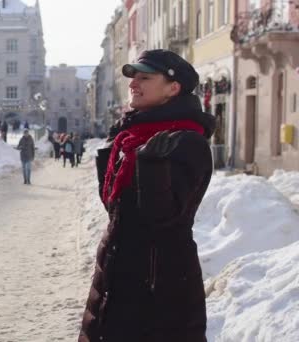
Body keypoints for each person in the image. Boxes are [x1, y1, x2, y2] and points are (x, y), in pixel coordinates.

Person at [78, 49, 215, 342]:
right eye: (132, 78)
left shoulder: (186, 141)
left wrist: (151, 166)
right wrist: (110, 154)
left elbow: (162, 219)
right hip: (116, 280)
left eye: (145, 77)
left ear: (173, 88)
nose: (133, 84)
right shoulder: (132, 139)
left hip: (159, 294)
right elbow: (116, 210)